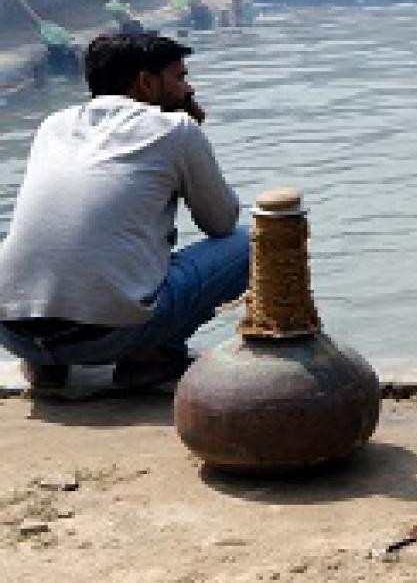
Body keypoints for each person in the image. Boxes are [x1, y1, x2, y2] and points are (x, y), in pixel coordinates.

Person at [0, 33, 248, 398]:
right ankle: (152, 358)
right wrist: (192, 136)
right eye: (179, 78)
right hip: (107, 338)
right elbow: (221, 222)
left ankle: (48, 368)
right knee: (253, 243)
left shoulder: (52, 125)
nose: (188, 88)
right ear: (146, 83)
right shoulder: (176, 130)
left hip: (15, 333)